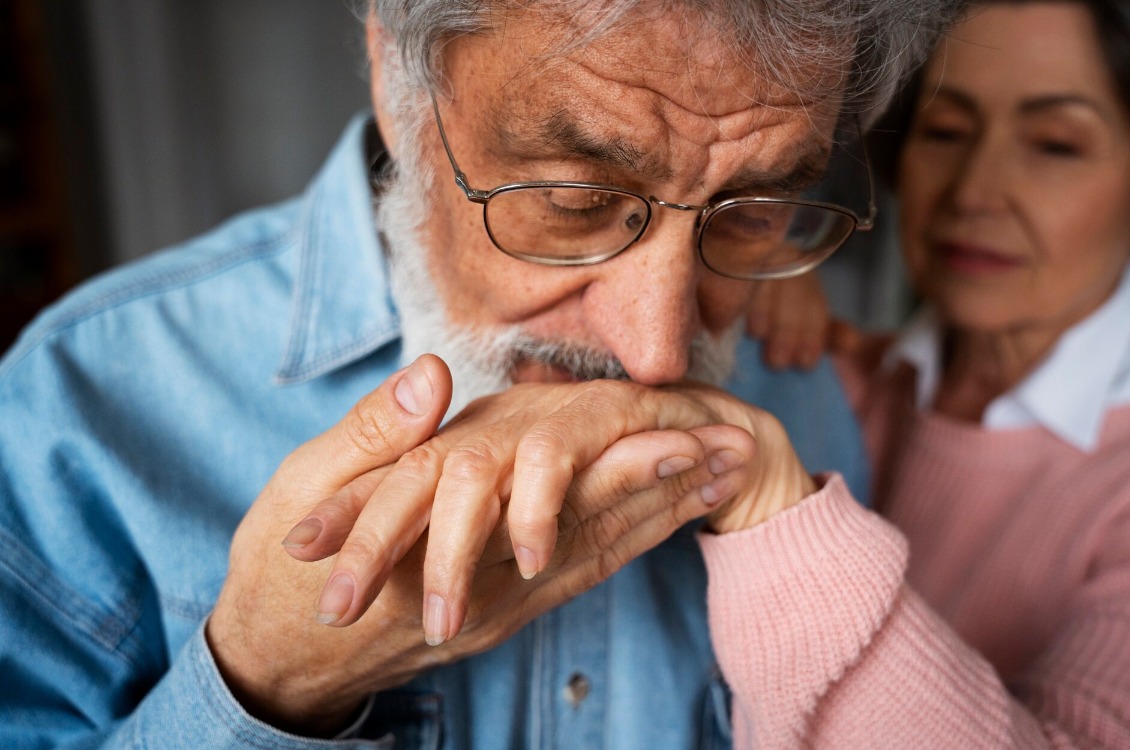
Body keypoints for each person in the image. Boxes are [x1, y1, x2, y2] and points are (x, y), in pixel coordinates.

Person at [0, 1, 969, 748]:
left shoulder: (803, 387)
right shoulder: (80, 406)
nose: (658, 353)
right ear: (398, 75)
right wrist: (265, 686)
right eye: (575, 199)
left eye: (754, 208)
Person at [746, 0, 1130, 746]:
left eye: (1055, 145)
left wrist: (780, 518)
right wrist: (734, 282)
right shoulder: (824, 375)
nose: (974, 191)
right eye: (946, 131)